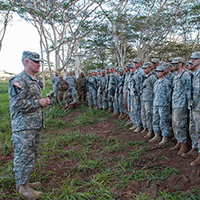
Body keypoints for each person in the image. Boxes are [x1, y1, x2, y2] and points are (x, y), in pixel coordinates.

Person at [8, 51, 50, 199]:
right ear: (26, 62)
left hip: (33, 125)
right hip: (23, 126)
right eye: (35, 61)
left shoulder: (33, 80)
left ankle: (23, 182)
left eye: (39, 62)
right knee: (23, 156)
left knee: (31, 154)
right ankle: (23, 189)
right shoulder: (19, 80)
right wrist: (39, 102)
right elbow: (17, 103)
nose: (39, 64)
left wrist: (41, 102)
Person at [170, 57, 190, 155]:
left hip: (182, 104)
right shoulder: (176, 76)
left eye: (175, 63)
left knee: (180, 124)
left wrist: (188, 104)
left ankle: (184, 145)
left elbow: (188, 91)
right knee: (175, 124)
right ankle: (179, 141)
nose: (173, 65)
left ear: (181, 64)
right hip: (175, 103)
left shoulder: (185, 75)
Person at [149, 66, 171, 145]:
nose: (158, 73)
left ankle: (165, 137)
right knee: (155, 120)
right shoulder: (156, 82)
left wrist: (168, 104)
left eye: (159, 72)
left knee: (164, 121)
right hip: (156, 104)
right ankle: (157, 135)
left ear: (163, 72)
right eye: (157, 72)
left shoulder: (166, 82)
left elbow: (169, 95)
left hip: (163, 105)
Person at [140, 62, 157, 138]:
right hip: (143, 98)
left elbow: (155, 88)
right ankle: (146, 127)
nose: (144, 70)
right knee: (144, 114)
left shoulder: (152, 77)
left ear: (150, 68)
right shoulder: (144, 76)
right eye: (143, 68)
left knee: (149, 115)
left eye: (145, 68)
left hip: (149, 99)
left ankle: (151, 130)